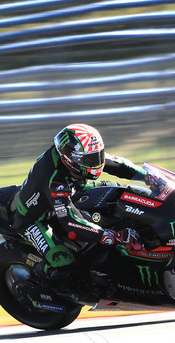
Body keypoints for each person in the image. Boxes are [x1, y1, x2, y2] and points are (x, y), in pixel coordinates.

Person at [11, 123, 146, 301]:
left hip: (70, 194)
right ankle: (50, 280)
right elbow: (71, 221)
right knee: (64, 263)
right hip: (35, 218)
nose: (97, 163)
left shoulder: (78, 157)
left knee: (116, 192)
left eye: (98, 155)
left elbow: (118, 164)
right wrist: (112, 235)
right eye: (91, 159)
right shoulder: (55, 179)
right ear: (69, 159)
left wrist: (147, 176)